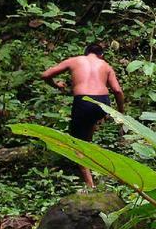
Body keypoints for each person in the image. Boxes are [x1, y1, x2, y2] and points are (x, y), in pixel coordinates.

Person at [41, 44, 125, 188]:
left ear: (85, 53)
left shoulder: (74, 60)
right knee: (87, 133)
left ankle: (90, 184)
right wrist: (120, 114)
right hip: (103, 103)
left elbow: (45, 75)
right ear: (101, 55)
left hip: (83, 101)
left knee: (77, 142)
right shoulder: (106, 65)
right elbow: (117, 90)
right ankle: (97, 168)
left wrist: (57, 85)